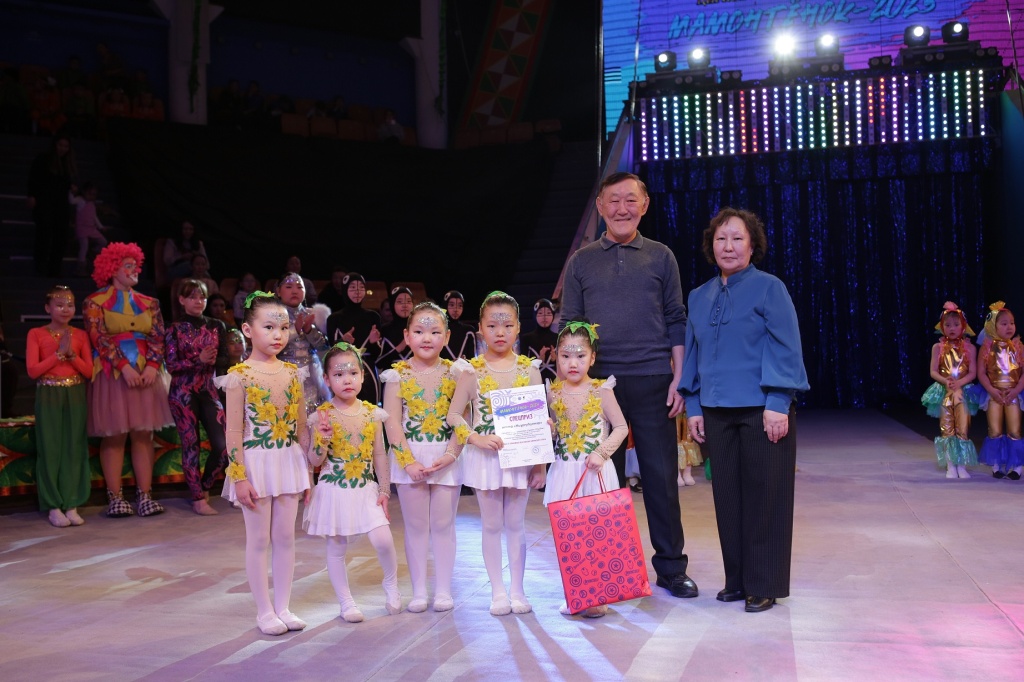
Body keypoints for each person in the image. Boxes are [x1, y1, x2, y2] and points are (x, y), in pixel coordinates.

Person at [560, 171, 695, 599]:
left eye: (630, 199)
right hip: (599, 387)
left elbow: (676, 318)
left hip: (654, 378)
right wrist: (572, 387)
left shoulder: (661, 256)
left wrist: (679, 377)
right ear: (600, 207)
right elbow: (569, 326)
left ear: (645, 204)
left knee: (660, 477)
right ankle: (608, 571)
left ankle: (671, 568)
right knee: (603, 479)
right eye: (613, 200)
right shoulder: (582, 260)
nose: (622, 208)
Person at [680, 207, 809, 614]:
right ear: (711, 245)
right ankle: (737, 579)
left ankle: (764, 583)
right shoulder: (698, 296)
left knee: (765, 498)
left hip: (762, 410)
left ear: (753, 246)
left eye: (737, 238)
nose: (729, 246)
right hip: (715, 411)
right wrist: (693, 406)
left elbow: (786, 347)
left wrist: (778, 402)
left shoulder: (770, 288)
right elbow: (693, 354)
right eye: (721, 238)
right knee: (728, 499)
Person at [214, 292, 311, 635]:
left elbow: (302, 427)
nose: (277, 335)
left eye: (283, 327)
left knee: (286, 537)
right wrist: (239, 477)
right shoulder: (239, 376)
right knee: (258, 540)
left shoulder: (293, 373)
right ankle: (264, 611)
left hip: (288, 461)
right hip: (256, 463)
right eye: (268, 327)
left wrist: (308, 473)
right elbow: (233, 430)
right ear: (247, 330)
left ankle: (284, 606)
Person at [446, 291, 546, 616]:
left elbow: (539, 420)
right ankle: (498, 592)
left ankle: (518, 590)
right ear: (480, 329)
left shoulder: (529, 370)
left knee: (516, 524)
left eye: (507, 325)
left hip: (520, 459)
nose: (500, 332)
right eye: (492, 325)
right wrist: (475, 438)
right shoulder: (471, 371)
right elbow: (454, 415)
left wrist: (540, 465)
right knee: (491, 525)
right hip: (486, 459)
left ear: (518, 328)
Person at [305, 343, 401, 622]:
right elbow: (314, 459)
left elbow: (380, 454)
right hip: (334, 488)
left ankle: (391, 582)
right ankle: (346, 602)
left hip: (365, 487)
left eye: (352, 373)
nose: (347, 380)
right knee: (337, 547)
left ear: (362, 375)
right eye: (338, 374)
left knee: (383, 539)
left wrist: (384, 489)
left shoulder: (373, 414)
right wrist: (322, 438)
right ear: (327, 379)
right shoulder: (322, 416)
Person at [380, 302, 465, 614]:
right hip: (411, 458)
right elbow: (391, 422)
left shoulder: (457, 373)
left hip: (445, 457)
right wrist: (407, 462)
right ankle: (418, 591)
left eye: (434, 332)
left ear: (447, 336)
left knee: (443, 524)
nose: (426, 338)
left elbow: (464, 418)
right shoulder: (397, 375)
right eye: (418, 331)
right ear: (407, 336)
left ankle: (443, 590)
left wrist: (451, 454)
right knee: (416, 527)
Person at [543, 320, 627, 618]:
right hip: (565, 470)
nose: (573, 363)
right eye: (565, 356)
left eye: (580, 356)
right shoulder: (554, 393)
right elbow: (557, 433)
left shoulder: (601, 390)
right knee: (569, 536)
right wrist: (549, 429)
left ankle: (598, 594)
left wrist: (602, 452)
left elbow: (621, 427)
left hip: (595, 471)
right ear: (556, 357)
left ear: (592, 358)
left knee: (597, 534)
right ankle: (575, 593)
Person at [83, 242, 174, 517]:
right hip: (113, 375)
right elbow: (98, 338)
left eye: (136, 265)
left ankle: (145, 495)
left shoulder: (150, 303)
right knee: (115, 435)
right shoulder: (94, 302)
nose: (134, 270)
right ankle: (115, 497)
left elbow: (158, 337)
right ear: (112, 269)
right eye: (128, 266)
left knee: (144, 435)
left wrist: (152, 366)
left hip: (146, 373)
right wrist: (124, 367)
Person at [25, 286, 93, 527]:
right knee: (50, 448)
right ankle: (53, 505)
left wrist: (72, 355)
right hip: (49, 393)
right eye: (59, 305)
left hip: (75, 393)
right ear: (48, 308)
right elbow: (32, 370)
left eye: (70, 305)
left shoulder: (81, 335)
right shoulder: (36, 333)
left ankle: (72, 503)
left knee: (74, 447)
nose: (66, 309)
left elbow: (89, 372)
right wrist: (58, 355)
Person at [164, 280, 229, 515]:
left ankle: (205, 486)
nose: (198, 301)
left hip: (208, 389)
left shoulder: (217, 325)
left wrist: (213, 361)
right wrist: (197, 360)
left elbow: (225, 359)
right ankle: (197, 498)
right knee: (190, 444)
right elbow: (172, 365)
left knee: (223, 446)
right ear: (182, 300)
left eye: (201, 297)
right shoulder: (174, 329)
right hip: (183, 392)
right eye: (192, 297)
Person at [922, 302, 980, 479]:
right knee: (947, 427)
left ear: (963, 326)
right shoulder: (937, 347)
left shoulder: (970, 348)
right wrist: (945, 381)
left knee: (962, 427)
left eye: (956, 324)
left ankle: (961, 465)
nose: (952, 328)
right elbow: (933, 371)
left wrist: (959, 383)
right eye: (947, 325)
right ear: (942, 327)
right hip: (944, 391)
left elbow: (973, 372)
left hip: (963, 392)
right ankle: (950, 465)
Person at [977, 302, 1024, 479]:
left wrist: (1016, 390)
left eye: (1012, 323)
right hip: (993, 395)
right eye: (1004, 323)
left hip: (1013, 394)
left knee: (1014, 430)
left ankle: (1017, 467)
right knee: (995, 430)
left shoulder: (1018, 346)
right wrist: (991, 390)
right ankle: (996, 465)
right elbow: (981, 372)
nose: (1009, 327)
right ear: (993, 326)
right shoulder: (987, 347)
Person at [276, 273, 330, 414]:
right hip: (283, 374)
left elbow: (324, 347)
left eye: (299, 287)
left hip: (312, 374)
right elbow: (271, 346)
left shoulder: (314, 314)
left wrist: (309, 330)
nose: (295, 291)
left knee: (314, 417)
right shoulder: (272, 316)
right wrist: (295, 330)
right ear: (278, 291)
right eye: (289, 287)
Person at [325, 272, 381, 403]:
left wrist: (373, 342)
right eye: (353, 288)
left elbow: (377, 355)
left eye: (361, 288)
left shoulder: (373, 317)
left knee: (370, 409)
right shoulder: (334, 318)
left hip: (368, 371)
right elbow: (330, 353)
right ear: (344, 290)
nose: (357, 292)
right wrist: (342, 342)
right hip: (343, 371)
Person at [27, 132, 76, 276]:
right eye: (60, 145)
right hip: (44, 202)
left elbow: (64, 182)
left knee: (61, 236)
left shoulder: (67, 163)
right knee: (44, 234)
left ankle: (55, 268)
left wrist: (71, 187)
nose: (63, 149)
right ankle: (41, 266)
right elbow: (34, 177)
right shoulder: (44, 159)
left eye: (66, 146)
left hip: (61, 204)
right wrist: (31, 195)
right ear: (55, 145)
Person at [69, 181, 109, 274]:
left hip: (91, 228)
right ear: (84, 192)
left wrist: (101, 227)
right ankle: (81, 266)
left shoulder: (92, 204)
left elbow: (94, 217)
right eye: (89, 194)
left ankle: (94, 252)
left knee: (103, 242)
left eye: (94, 195)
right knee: (84, 245)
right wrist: (71, 192)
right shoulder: (80, 200)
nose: (91, 197)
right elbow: (71, 201)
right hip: (82, 228)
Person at [519, 298, 558, 381]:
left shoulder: (558, 338)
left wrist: (556, 359)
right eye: (540, 313)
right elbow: (522, 367)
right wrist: (539, 360)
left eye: (548, 313)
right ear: (535, 315)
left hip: (556, 382)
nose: (544, 317)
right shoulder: (526, 339)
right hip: (534, 382)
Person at [377, 286, 414, 371]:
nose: (405, 305)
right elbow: (379, 363)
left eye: (408, 301)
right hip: (391, 377)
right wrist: (400, 347)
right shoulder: (384, 330)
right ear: (392, 305)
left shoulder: (420, 329)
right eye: (400, 302)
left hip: (417, 377)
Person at [442, 290, 474, 361]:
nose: (456, 309)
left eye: (460, 306)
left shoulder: (469, 331)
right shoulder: (438, 329)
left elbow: (473, 359)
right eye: (451, 305)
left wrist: (465, 362)